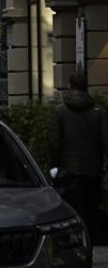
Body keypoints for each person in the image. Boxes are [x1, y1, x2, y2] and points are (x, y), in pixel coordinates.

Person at [50, 72, 108, 226]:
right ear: (86, 87)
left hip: (69, 170)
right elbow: (106, 141)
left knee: (72, 213)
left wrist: (54, 167)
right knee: (91, 212)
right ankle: (89, 246)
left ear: (70, 86)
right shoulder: (99, 112)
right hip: (93, 170)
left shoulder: (60, 111)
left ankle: (76, 247)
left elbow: (55, 141)